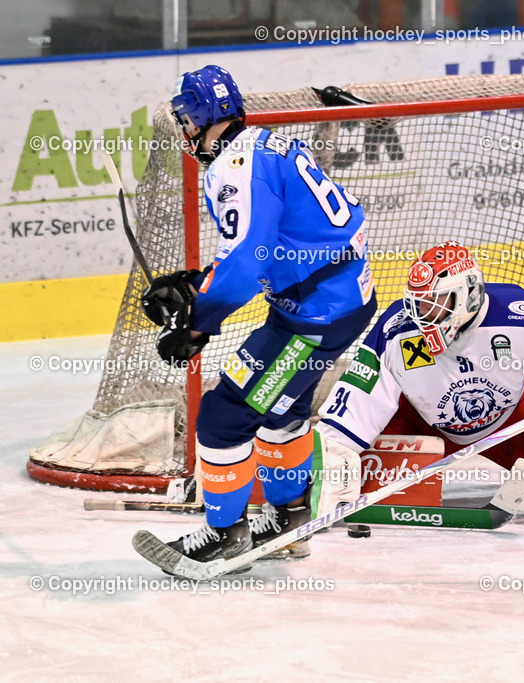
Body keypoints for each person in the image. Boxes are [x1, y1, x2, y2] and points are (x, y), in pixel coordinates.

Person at [142, 65, 376, 564]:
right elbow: (271, 247)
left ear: (203, 117)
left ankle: (225, 536)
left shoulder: (234, 167)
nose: (185, 130)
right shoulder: (268, 143)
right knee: (282, 411)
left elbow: (249, 262)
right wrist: (197, 283)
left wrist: (198, 324)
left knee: (224, 418)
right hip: (340, 299)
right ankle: (289, 519)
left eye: (188, 119)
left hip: (313, 316)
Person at [314, 241, 524, 523]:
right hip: (422, 427)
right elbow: (359, 395)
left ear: (469, 294)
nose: (424, 314)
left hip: (511, 423)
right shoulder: (397, 330)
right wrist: (329, 456)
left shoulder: (522, 316)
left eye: (437, 301)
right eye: (419, 303)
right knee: (341, 471)